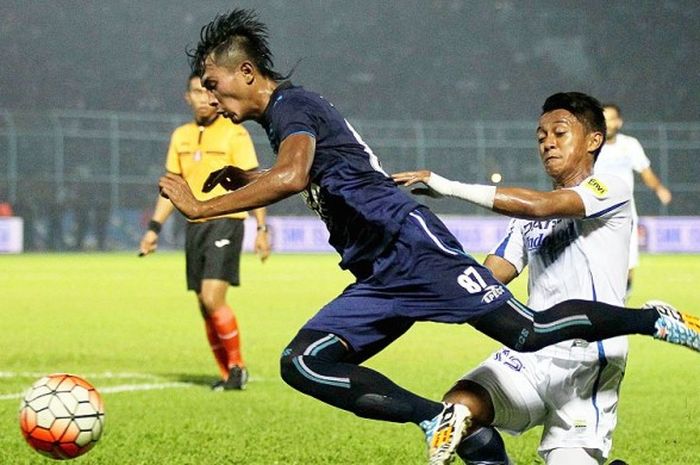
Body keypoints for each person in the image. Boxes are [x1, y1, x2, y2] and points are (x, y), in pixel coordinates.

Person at [158, 10, 700, 465]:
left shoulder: (292, 107)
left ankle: (653, 318)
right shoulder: (287, 118)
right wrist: (251, 178)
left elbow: (295, 175)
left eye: (213, 83)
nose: (209, 96)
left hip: (409, 245)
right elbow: (313, 170)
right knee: (303, 363)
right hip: (378, 273)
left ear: (246, 73)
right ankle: (434, 417)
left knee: (527, 332)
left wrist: (203, 207)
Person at [393, 93, 635, 465]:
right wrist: (420, 269)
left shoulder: (610, 188)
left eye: (559, 133)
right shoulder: (525, 219)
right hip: (533, 351)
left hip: (586, 361)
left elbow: (543, 205)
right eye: (540, 137)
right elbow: (489, 277)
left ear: (593, 140)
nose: (548, 143)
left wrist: (449, 186)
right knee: (460, 410)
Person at [139, 72, 271, 391]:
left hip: (227, 219)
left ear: (215, 96)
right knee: (203, 303)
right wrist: (154, 229)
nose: (203, 98)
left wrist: (262, 227)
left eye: (207, 92)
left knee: (213, 297)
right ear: (188, 97)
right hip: (194, 224)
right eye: (196, 92)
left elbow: (253, 183)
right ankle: (227, 374)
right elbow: (171, 188)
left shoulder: (234, 134)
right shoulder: (181, 136)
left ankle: (238, 367)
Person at [595, 103, 672, 297]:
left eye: (611, 119)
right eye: (603, 119)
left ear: (619, 122)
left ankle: (624, 295)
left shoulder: (629, 144)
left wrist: (659, 188)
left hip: (625, 211)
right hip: (595, 210)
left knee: (629, 258)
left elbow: (645, 171)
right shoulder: (592, 145)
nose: (607, 124)